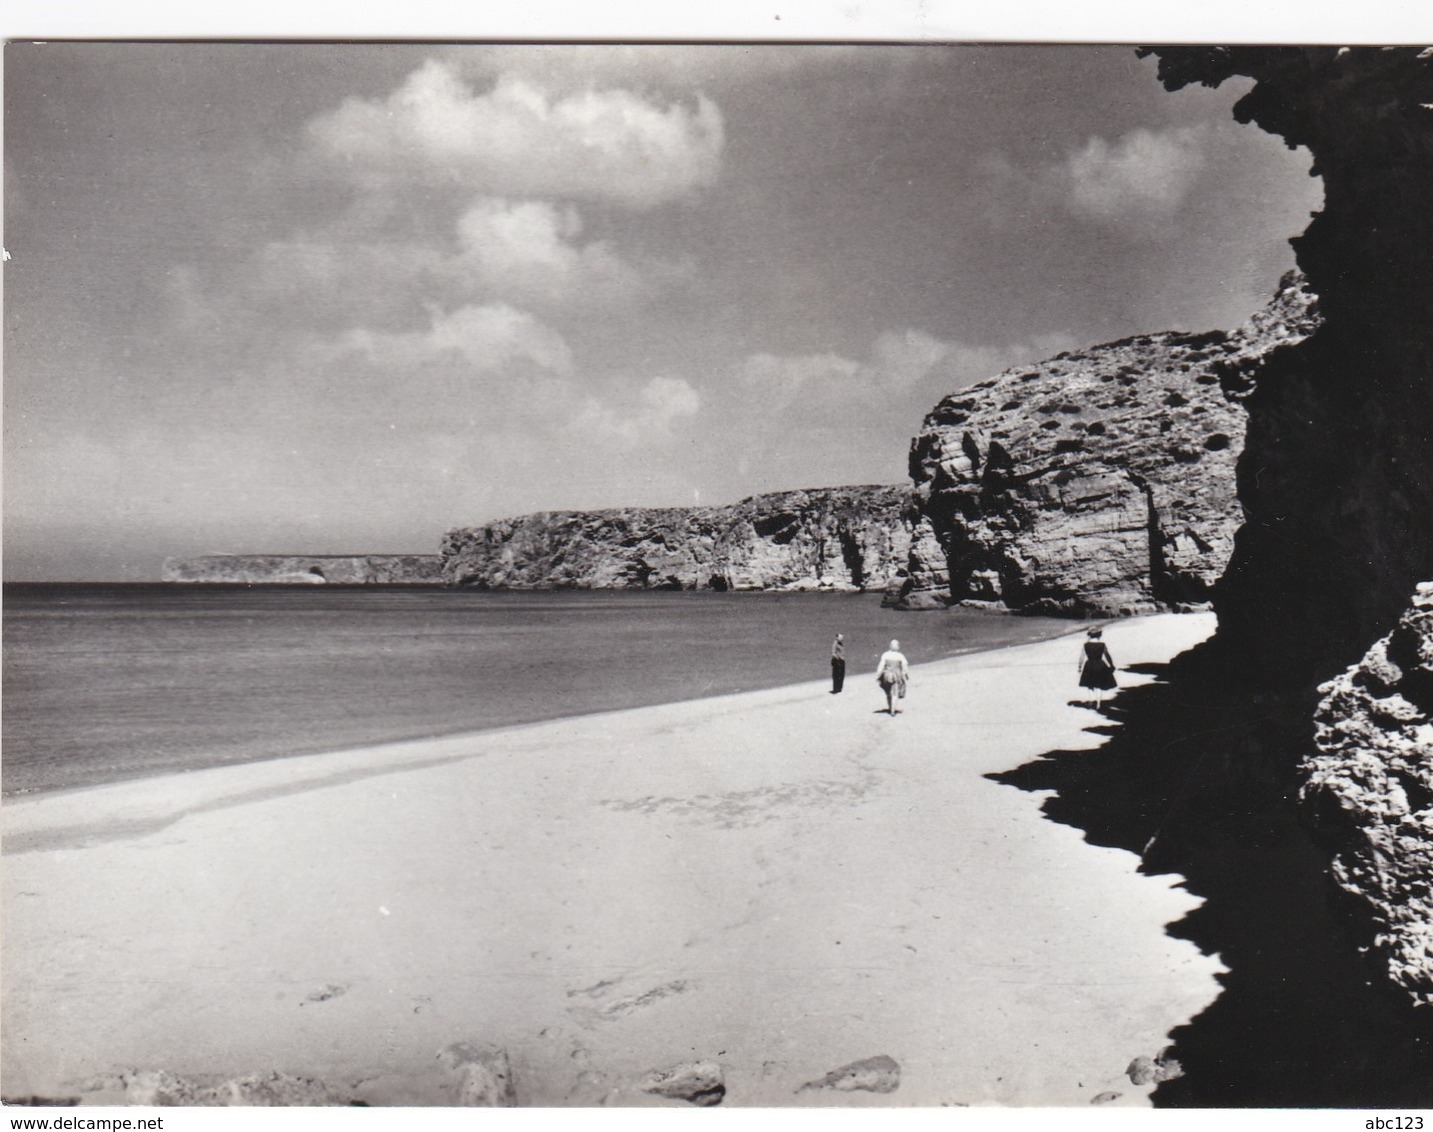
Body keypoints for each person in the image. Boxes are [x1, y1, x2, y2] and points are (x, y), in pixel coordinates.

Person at [1078, 626, 1118, 707]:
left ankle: (1091, 700)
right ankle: (1098, 703)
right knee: (1099, 684)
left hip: (1089, 665)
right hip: (1100, 665)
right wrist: (1111, 664)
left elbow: (1082, 657)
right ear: (1099, 635)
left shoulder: (1086, 645)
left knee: (1090, 684)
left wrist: (1079, 666)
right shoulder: (1102, 645)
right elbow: (1107, 655)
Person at [875, 639, 909, 715]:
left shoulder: (885, 655)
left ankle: (890, 707)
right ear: (898, 647)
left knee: (888, 693)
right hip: (896, 675)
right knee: (895, 693)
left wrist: (878, 676)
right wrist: (906, 674)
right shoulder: (900, 656)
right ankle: (893, 710)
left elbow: (881, 666)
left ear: (890, 646)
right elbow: (904, 666)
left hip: (886, 675)